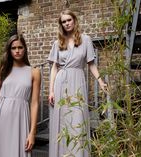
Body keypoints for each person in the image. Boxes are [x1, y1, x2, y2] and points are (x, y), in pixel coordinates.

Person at [48, 9, 107, 157]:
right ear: (61, 24)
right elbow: (54, 67)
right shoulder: (57, 42)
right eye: (64, 21)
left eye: (69, 20)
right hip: (61, 83)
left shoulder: (85, 39)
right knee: (62, 120)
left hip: (77, 82)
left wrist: (101, 81)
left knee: (77, 118)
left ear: (74, 20)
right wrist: (51, 91)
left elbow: (91, 64)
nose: (67, 23)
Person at [0, 34, 41, 157]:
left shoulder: (34, 72)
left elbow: (34, 103)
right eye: (13, 48)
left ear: (25, 49)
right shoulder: (1, 71)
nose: (17, 51)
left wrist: (32, 132)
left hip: (20, 120)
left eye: (20, 47)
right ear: (9, 50)